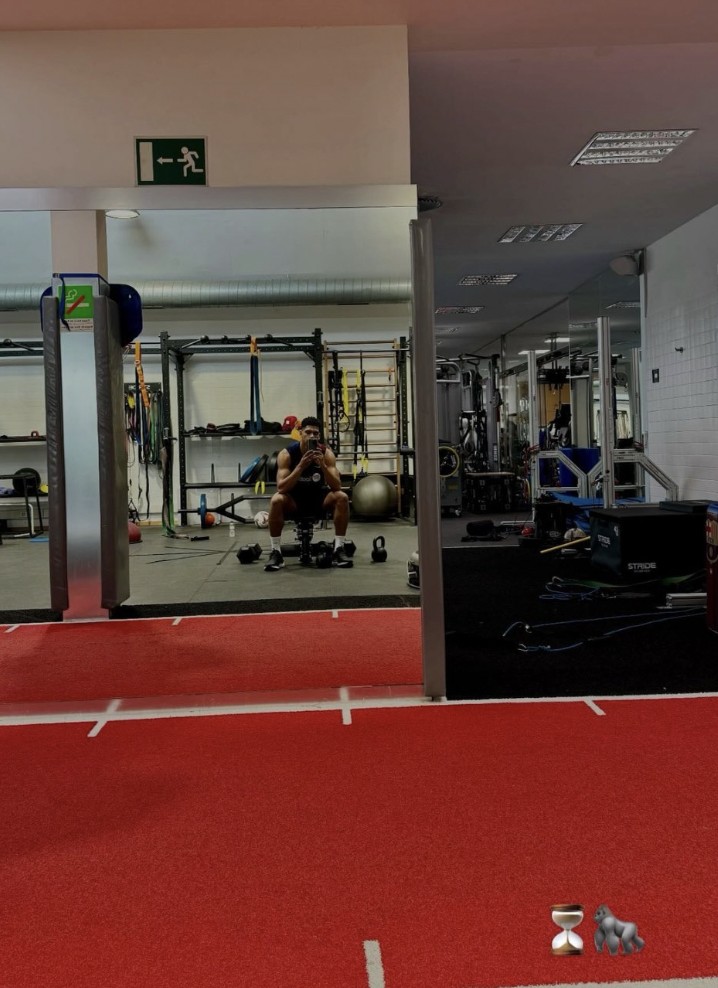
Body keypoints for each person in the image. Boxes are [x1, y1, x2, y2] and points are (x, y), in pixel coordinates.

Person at [264, 416, 352, 571]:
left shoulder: (326, 454)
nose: (312, 436)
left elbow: (337, 486)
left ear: (319, 436)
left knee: (342, 497)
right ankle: (276, 552)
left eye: (315, 433)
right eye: (308, 432)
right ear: (300, 433)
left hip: (319, 500)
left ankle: (338, 549)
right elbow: (281, 488)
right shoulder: (286, 454)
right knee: (276, 499)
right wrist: (300, 467)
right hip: (294, 501)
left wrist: (323, 466)